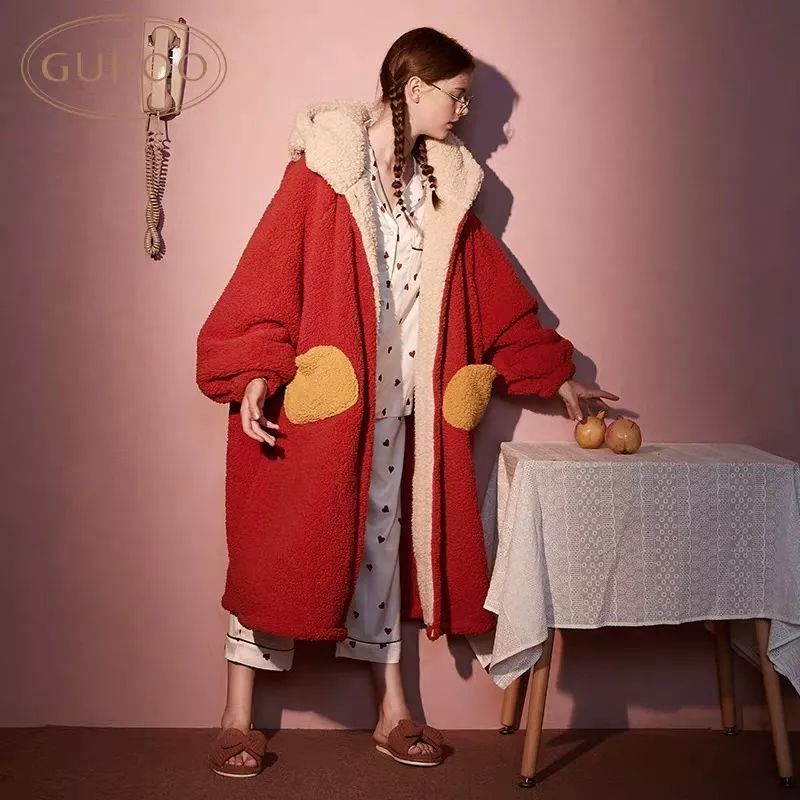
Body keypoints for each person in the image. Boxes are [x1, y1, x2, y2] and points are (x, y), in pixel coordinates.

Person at [197, 27, 619, 778]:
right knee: (276, 551)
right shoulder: (324, 175)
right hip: (322, 406)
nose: (466, 113)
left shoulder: (442, 193)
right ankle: (236, 716)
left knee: (382, 553)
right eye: (457, 95)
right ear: (414, 89)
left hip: (400, 413)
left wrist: (556, 376)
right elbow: (266, 281)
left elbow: (494, 301)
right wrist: (256, 371)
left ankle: (393, 711)